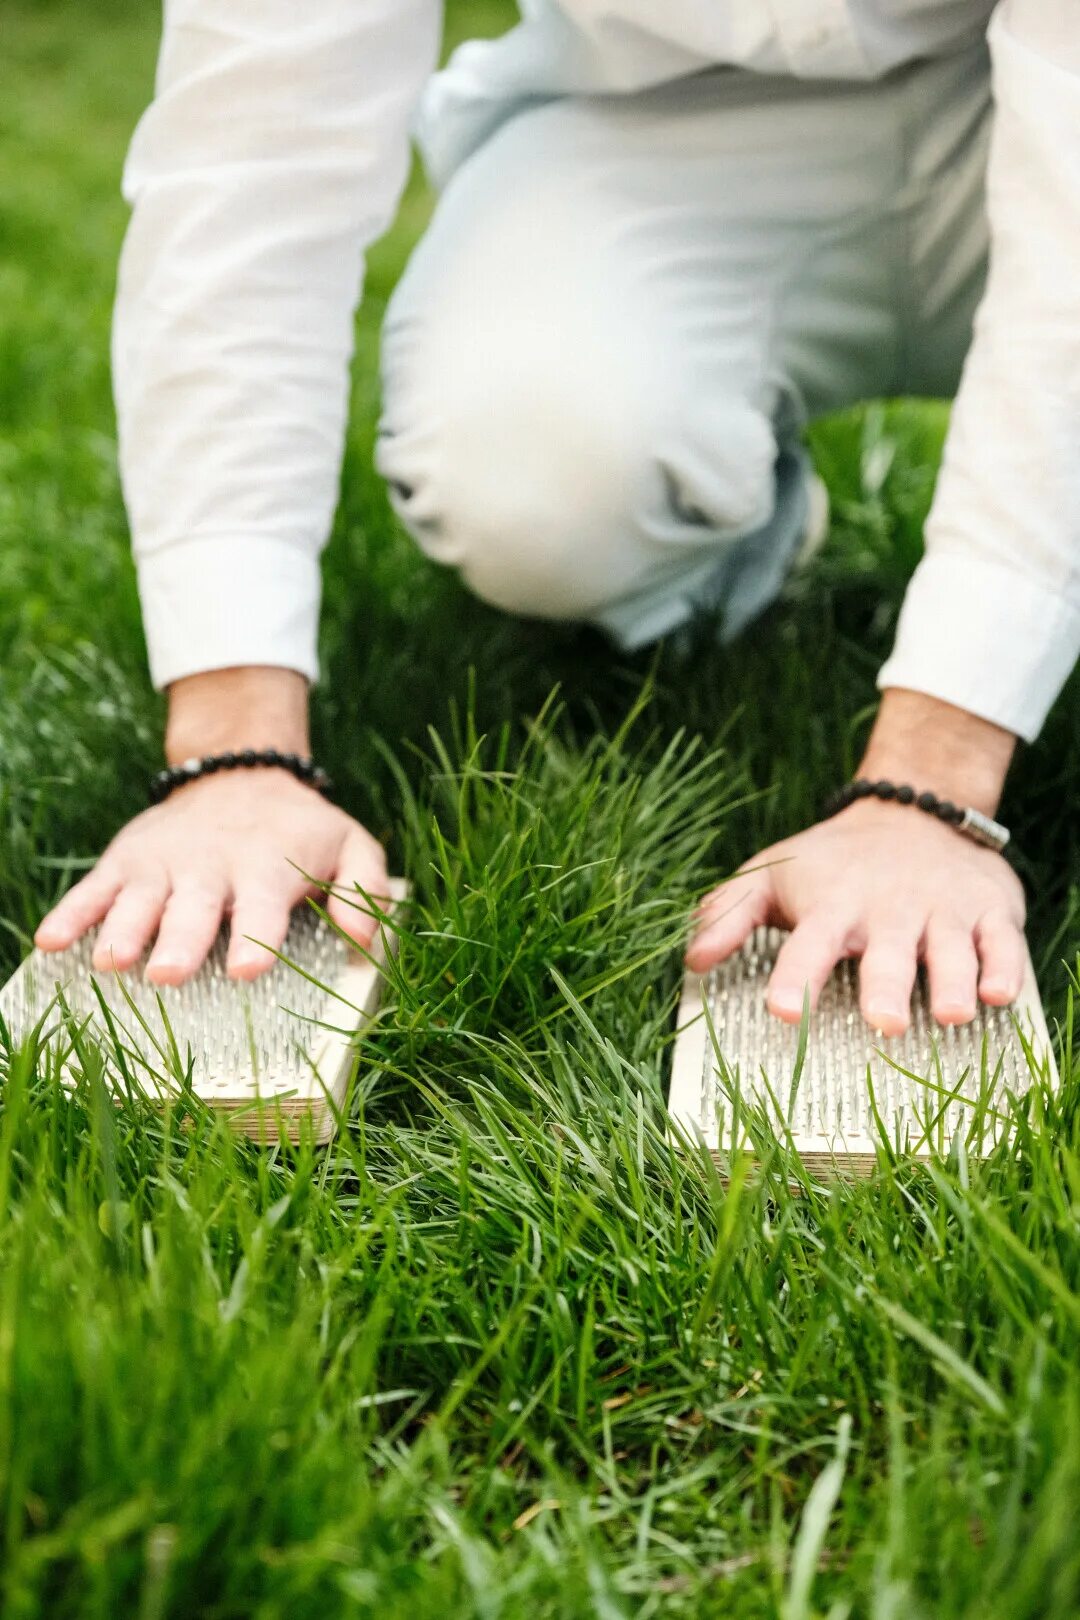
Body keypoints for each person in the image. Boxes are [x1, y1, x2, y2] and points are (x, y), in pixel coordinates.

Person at [34, 0, 1079, 1036]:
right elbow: (250, 160)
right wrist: (232, 751)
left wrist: (932, 786)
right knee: (526, 462)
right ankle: (734, 515)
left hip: (1024, 85)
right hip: (661, 108)